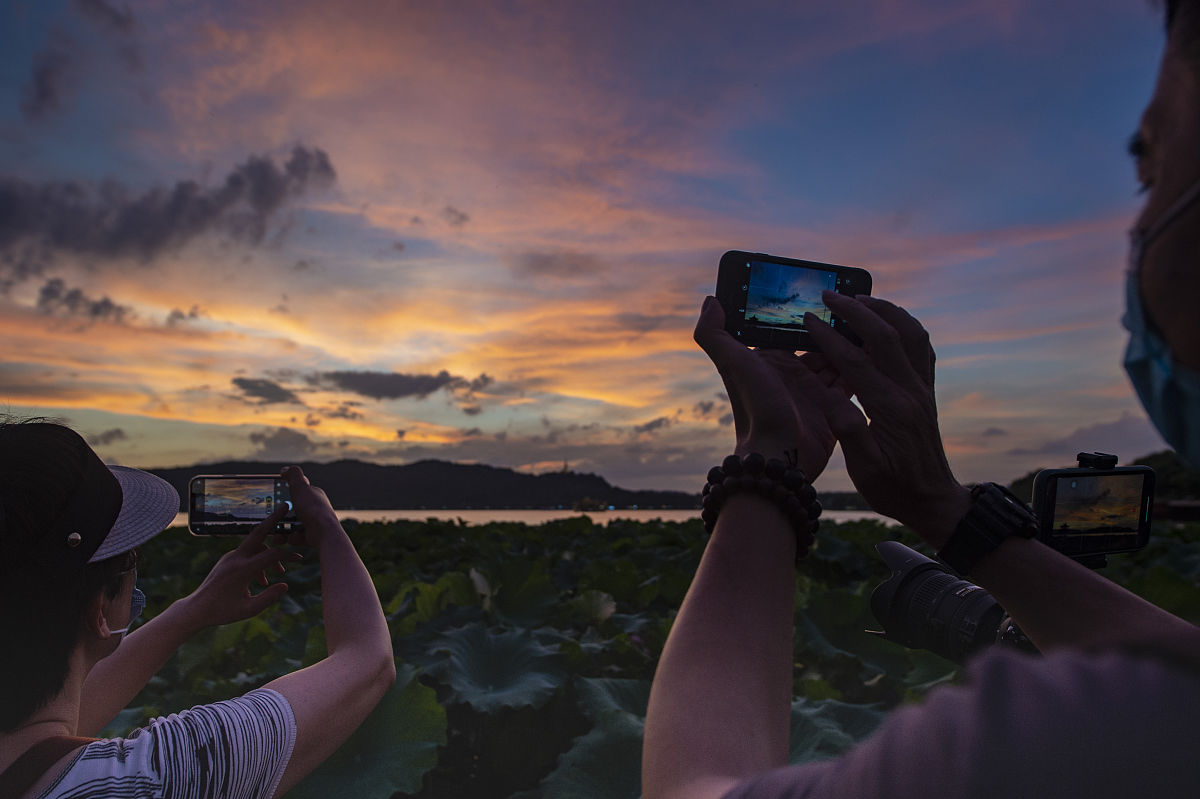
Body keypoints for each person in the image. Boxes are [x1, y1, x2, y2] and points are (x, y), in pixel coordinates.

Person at [642, 2, 1200, 798]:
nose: (1136, 231)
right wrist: (946, 509)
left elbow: (689, 786)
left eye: (1150, 172)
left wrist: (770, 462)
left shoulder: (1063, 741)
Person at [0, 422, 396, 799]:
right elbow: (367, 659)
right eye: (130, 558)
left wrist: (193, 612)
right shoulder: (154, 778)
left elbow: (61, 715)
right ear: (100, 604)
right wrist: (327, 527)